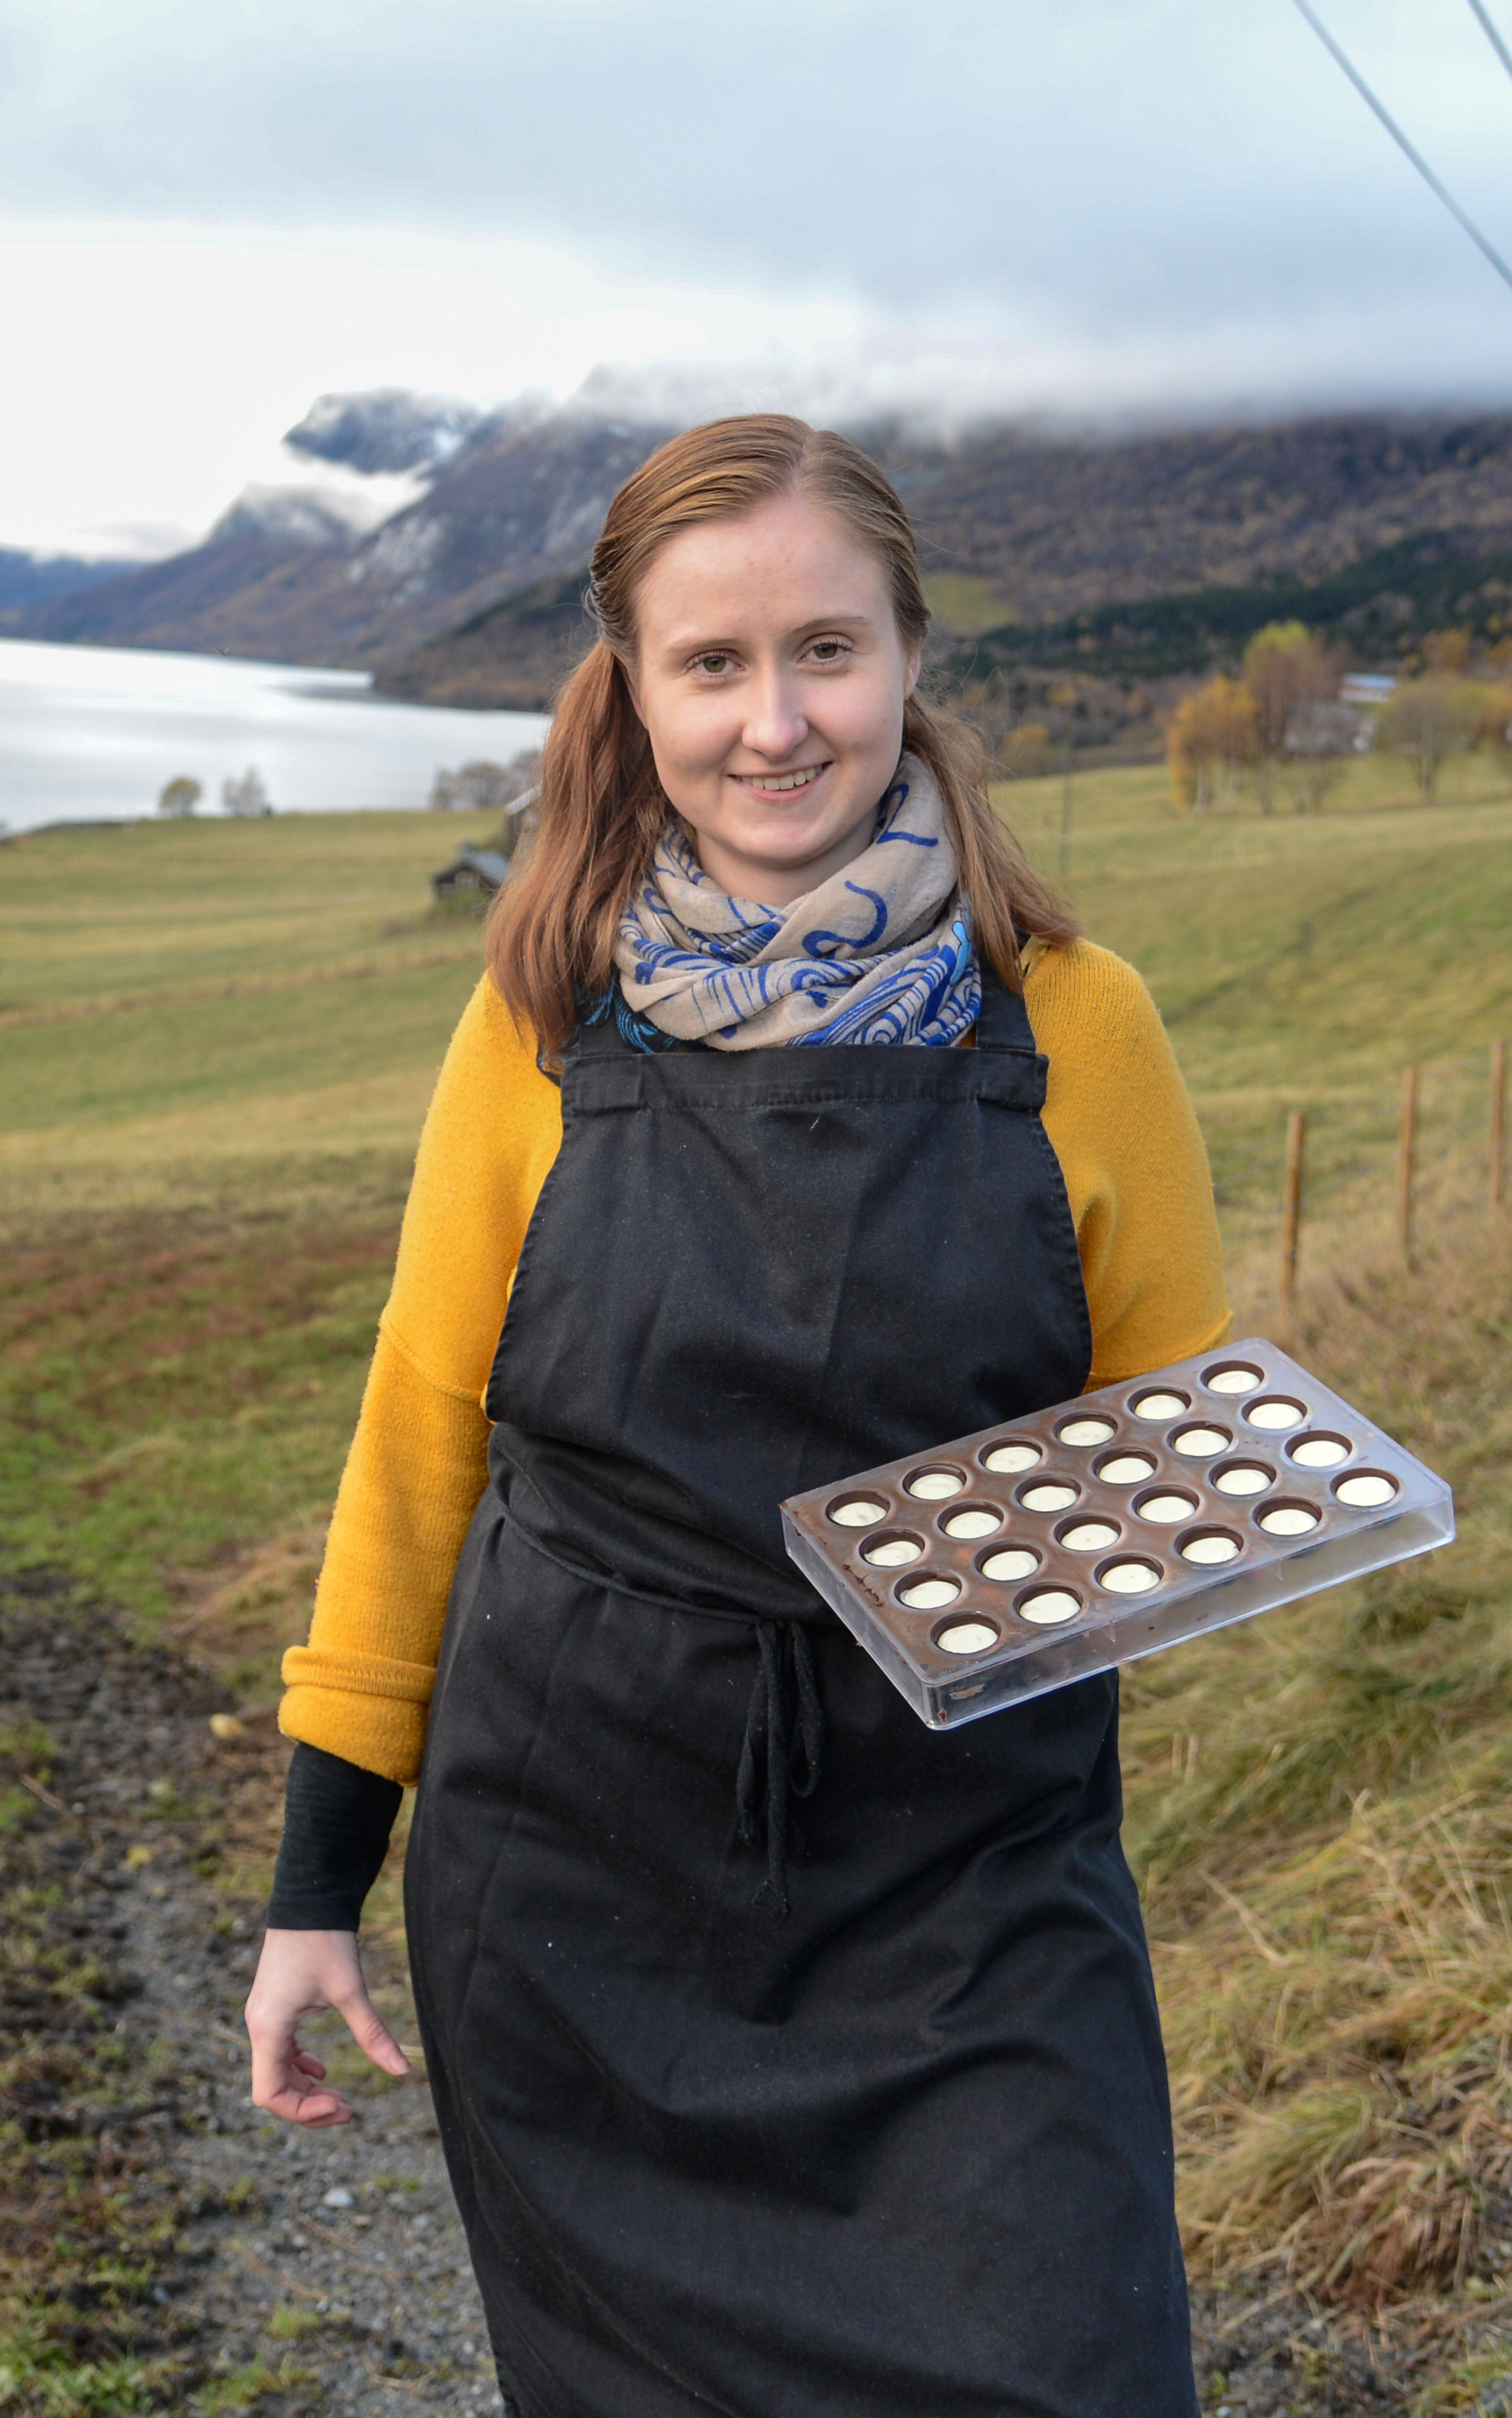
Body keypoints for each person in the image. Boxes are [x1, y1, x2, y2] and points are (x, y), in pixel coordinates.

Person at [241, 415, 1226, 2417]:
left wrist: (1077, 1555)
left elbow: (1176, 1446)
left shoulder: (1078, 1024)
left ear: (911, 655)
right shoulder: (540, 1024)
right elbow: (422, 1437)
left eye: (826, 651)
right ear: (633, 688)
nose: (776, 723)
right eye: (713, 664)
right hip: (578, 1894)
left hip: (971, 1897)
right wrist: (312, 1886)